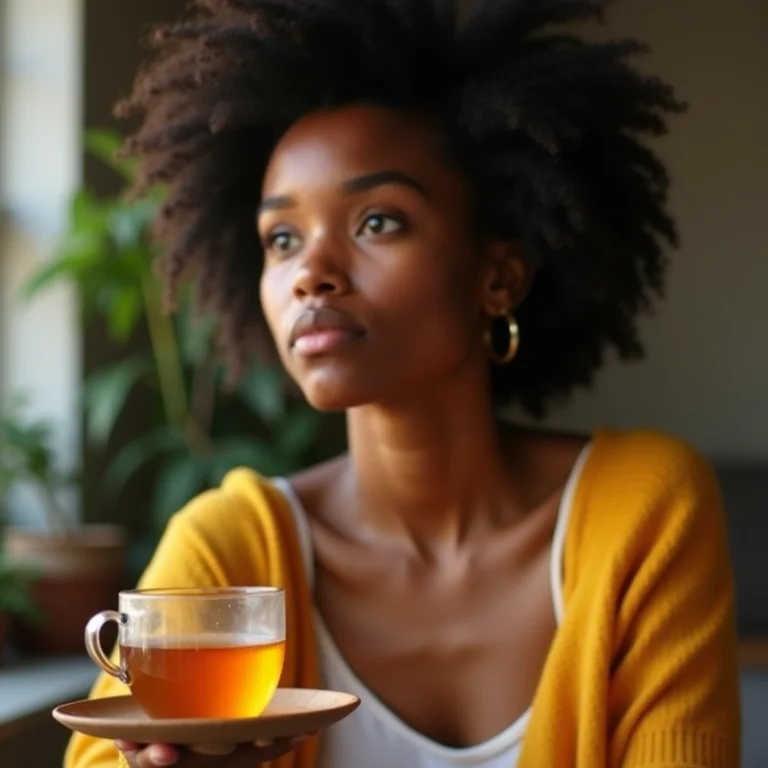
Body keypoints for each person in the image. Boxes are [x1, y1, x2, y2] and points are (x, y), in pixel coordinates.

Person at [65, 1, 741, 766]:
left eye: (377, 221)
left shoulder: (644, 511)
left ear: (499, 275)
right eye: (282, 238)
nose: (310, 274)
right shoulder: (227, 552)